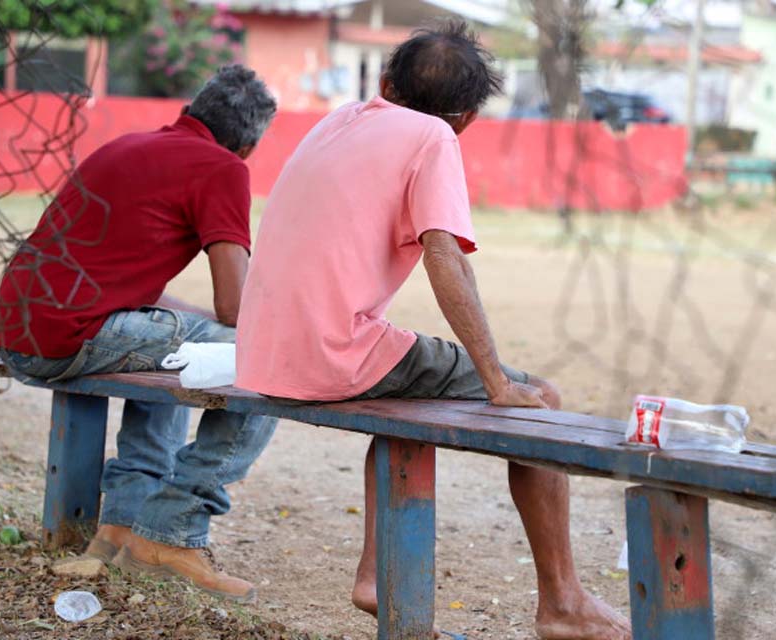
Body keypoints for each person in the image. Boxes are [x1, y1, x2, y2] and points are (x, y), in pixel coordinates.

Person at [235, 22, 631, 640]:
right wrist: (497, 380)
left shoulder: (337, 119)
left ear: (386, 84)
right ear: (467, 119)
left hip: (261, 353)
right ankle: (563, 603)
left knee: (407, 400)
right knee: (542, 401)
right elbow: (445, 256)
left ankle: (375, 575)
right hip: (331, 354)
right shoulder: (432, 135)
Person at [0, 65, 278, 603]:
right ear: (248, 143)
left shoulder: (125, 146)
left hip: (18, 326)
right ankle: (173, 530)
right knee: (267, 358)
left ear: (193, 111)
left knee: (178, 346)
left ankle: (120, 525)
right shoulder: (222, 168)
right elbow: (236, 307)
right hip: (67, 335)